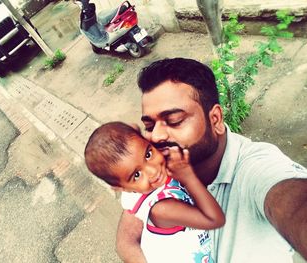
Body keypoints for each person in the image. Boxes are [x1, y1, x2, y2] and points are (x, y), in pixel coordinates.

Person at [116, 58, 307, 263]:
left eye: (174, 121)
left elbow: (293, 203)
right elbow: (126, 239)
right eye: (150, 126)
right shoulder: (157, 168)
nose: (157, 136)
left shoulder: (257, 169)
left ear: (215, 119)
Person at [85, 121, 225, 262]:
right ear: (122, 188)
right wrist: (188, 177)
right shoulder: (162, 209)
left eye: (148, 154)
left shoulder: (133, 192)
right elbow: (214, 219)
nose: (153, 171)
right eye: (137, 175)